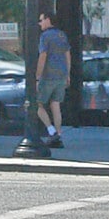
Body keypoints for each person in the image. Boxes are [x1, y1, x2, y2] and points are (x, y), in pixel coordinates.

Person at [34, 9, 71, 146]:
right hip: (61, 75)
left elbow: (43, 56)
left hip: (48, 75)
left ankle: (51, 131)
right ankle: (59, 135)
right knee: (56, 105)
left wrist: (37, 77)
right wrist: (67, 74)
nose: (39, 23)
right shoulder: (62, 35)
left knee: (37, 104)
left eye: (41, 20)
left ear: (48, 20)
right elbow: (67, 55)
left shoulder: (45, 36)